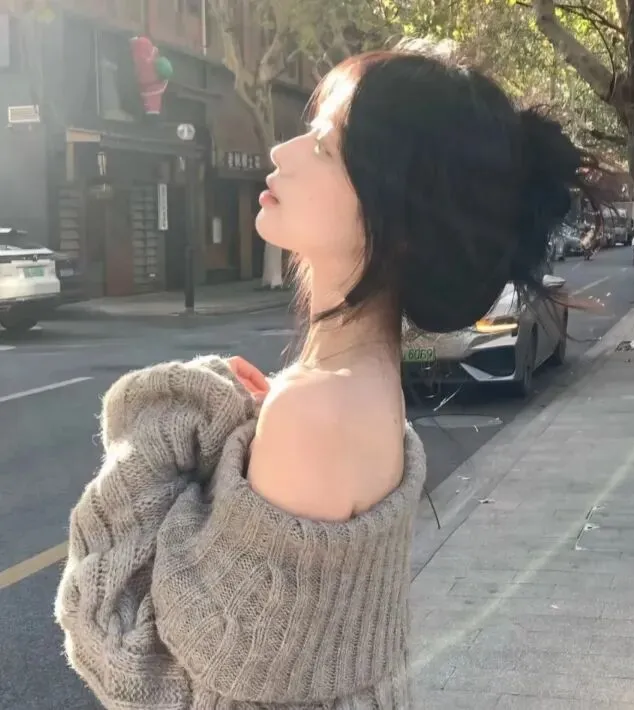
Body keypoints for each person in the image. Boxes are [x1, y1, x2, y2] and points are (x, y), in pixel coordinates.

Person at [55, 38, 598, 709]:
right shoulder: (355, 390)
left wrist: (168, 409)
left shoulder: (319, 412)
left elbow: (121, 648)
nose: (283, 151)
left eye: (325, 144)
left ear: (399, 216)